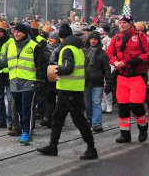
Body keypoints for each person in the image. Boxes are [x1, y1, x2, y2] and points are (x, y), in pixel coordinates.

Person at [36, 23, 98, 160]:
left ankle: (91, 148)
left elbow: (68, 68)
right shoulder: (77, 48)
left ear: (60, 37)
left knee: (79, 121)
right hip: (68, 90)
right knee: (57, 119)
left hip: (71, 91)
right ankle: (53, 146)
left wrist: (54, 69)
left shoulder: (67, 49)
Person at [0, 23, 45, 145]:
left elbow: (41, 65)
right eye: (14, 32)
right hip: (14, 82)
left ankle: (27, 132)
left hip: (29, 82)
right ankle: (25, 129)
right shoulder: (10, 46)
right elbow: (5, 61)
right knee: (20, 109)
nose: (16, 34)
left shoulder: (34, 46)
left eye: (19, 32)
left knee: (27, 108)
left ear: (25, 33)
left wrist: (40, 81)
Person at [106, 15, 149, 143]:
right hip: (122, 76)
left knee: (136, 104)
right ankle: (125, 134)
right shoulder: (116, 38)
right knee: (123, 106)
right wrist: (115, 62)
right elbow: (109, 54)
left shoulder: (141, 36)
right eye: (120, 23)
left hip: (137, 75)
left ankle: (143, 126)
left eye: (124, 22)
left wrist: (139, 60)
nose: (122, 25)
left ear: (131, 24)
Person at [83, 31, 113, 133]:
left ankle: (97, 123)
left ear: (98, 41)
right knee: (87, 104)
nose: (93, 41)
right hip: (85, 82)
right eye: (91, 39)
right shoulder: (84, 52)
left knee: (96, 103)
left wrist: (108, 82)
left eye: (95, 39)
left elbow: (107, 69)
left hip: (98, 82)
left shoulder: (103, 54)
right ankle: (89, 120)